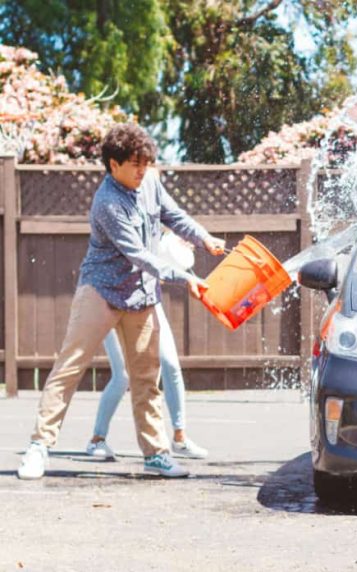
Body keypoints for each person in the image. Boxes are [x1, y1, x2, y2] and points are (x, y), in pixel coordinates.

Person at [17, 123, 225, 480]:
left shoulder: (151, 181)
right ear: (114, 165)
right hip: (100, 290)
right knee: (69, 367)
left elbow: (172, 215)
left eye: (145, 162)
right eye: (134, 163)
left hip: (140, 294)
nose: (142, 169)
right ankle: (39, 447)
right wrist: (185, 278)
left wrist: (205, 238)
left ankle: (156, 455)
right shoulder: (107, 202)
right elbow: (140, 254)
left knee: (147, 377)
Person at [86, 235, 207, 460]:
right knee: (122, 375)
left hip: (147, 301)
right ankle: (97, 440)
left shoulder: (168, 240)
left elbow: (180, 271)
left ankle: (180, 438)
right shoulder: (127, 229)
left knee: (170, 364)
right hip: (112, 298)